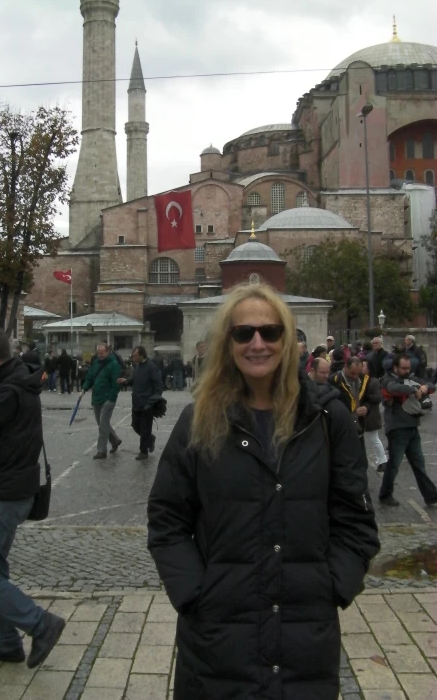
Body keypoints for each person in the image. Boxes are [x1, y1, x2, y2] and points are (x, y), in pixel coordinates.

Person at [148, 283, 379, 699]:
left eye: (270, 332)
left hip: (304, 637)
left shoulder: (328, 420)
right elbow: (167, 518)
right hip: (218, 636)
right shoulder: (197, 421)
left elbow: (356, 521)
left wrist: (333, 588)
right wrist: (194, 594)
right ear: (228, 343)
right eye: (244, 333)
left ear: (288, 341)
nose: (258, 343)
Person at [0, 327, 65, 667]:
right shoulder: (14, 381)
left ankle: (41, 624)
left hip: (2, 493)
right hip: (3, 487)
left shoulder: (8, 390)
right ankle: (5, 643)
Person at [379, 354, 437, 508]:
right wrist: (415, 389)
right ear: (395, 367)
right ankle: (385, 494)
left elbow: (431, 385)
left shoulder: (411, 378)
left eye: (408, 368)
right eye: (403, 368)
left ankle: (431, 495)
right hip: (397, 428)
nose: (407, 371)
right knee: (394, 464)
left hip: (411, 426)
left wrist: (424, 387)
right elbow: (394, 388)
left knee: (419, 464)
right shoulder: (388, 379)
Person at [118, 346, 163, 461]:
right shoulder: (137, 367)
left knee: (145, 428)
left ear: (142, 355)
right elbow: (134, 380)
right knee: (135, 425)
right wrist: (125, 381)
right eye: (133, 355)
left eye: (135, 355)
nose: (133, 357)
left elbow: (158, 385)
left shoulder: (151, 367)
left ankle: (143, 451)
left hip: (147, 404)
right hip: (137, 402)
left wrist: (154, 400)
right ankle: (150, 439)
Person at [79, 343, 122, 460]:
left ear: (108, 352)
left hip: (108, 399)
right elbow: (90, 377)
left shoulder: (114, 365)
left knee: (103, 425)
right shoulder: (96, 363)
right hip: (96, 398)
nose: (100, 355)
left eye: (102, 353)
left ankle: (101, 450)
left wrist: (112, 398)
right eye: (98, 353)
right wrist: (84, 389)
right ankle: (115, 440)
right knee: (102, 423)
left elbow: (116, 383)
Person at [361, 360, 387, 473]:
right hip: (363, 415)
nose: (360, 368)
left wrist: (364, 396)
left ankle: (382, 461)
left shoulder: (373, 381)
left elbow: (378, 398)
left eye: (363, 366)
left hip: (371, 415)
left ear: (368, 369)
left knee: (374, 439)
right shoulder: (359, 380)